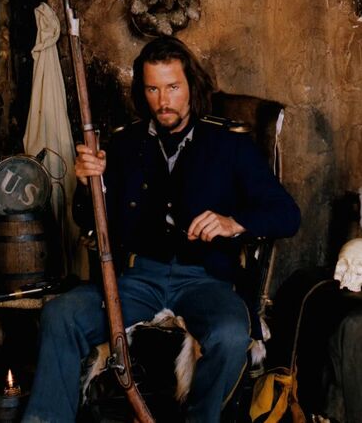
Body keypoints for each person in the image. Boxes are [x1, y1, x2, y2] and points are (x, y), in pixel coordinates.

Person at [22, 36, 301, 423]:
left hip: (206, 280)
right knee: (61, 315)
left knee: (231, 334)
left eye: (173, 87)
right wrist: (89, 186)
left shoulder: (229, 144)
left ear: (192, 88)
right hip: (137, 278)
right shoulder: (123, 144)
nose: (163, 100)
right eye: (153, 89)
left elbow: (287, 214)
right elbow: (89, 221)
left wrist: (233, 222)